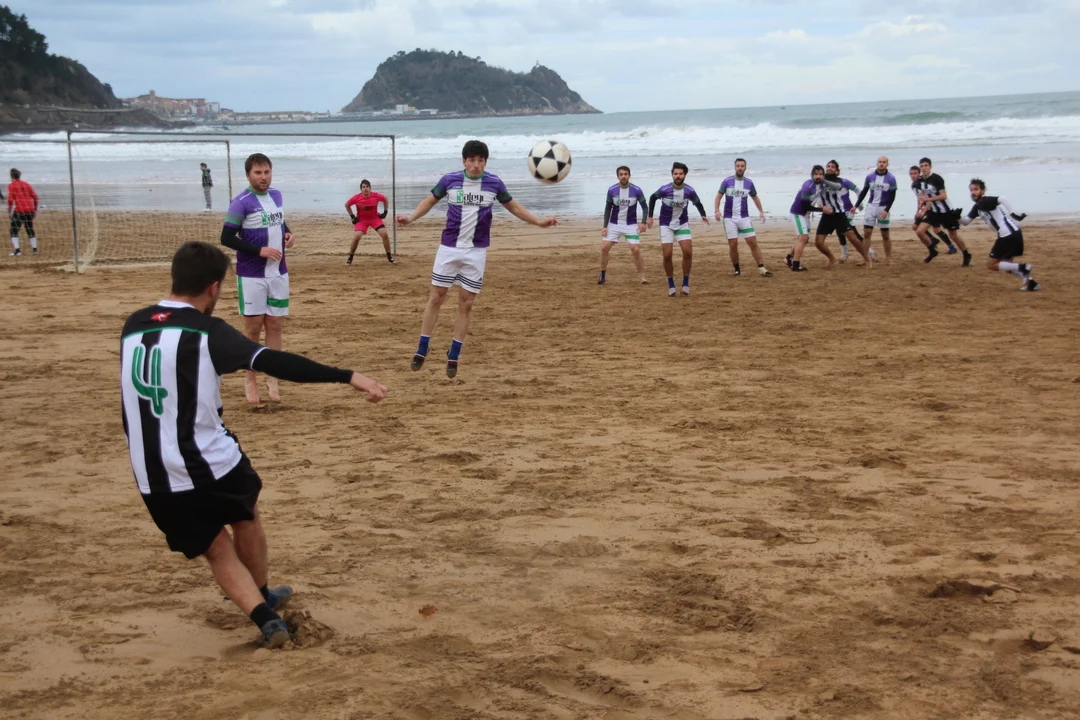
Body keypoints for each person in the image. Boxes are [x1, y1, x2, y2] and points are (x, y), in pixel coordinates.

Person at [121, 241, 387, 648]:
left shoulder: (133, 324)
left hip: (152, 473)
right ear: (214, 288)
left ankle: (266, 619)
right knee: (245, 516)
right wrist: (347, 375)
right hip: (208, 460)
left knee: (216, 549)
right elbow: (275, 362)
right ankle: (261, 594)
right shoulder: (207, 331)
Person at [397, 140, 557, 378]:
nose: (475, 165)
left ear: (485, 162)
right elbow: (430, 201)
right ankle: (423, 346)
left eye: (480, 160)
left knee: (466, 303)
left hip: (476, 252)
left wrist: (538, 222)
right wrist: (410, 218)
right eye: (471, 160)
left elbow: (514, 207)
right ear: (464, 161)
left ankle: (454, 352)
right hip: (449, 248)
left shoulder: (494, 183)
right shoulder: (449, 180)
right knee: (436, 297)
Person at [220, 153, 294, 405]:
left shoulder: (277, 195)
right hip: (251, 275)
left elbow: (279, 222)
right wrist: (258, 250)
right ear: (248, 175)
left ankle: (272, 376)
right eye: (258, 173)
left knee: (274, 324)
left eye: (267, 172)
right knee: (253, 328)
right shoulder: (241, 202)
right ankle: (250, 378)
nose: (263, 177)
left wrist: (288, 235)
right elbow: (226, 238)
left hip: (278, 272)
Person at [960, 179, 1039, 291]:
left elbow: (1002, 198)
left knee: (991, 265)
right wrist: (956, 217)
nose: (973, 192)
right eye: (971, 190)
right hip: (1014, 233)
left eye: (976, 189)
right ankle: (1030, 282)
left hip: (1006, 235)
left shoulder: (984, 201)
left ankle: (1023, 267)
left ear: (983, 190)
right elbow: (966, 221)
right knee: (1006, 265)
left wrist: (1013, 214)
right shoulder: (978, 206)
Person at [647, 162, 710, 296]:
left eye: (681, 174)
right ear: (672, 175)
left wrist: (703, 215)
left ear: (685, 175)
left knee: (687, 252)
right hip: (666, 224)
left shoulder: (689, 191)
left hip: (682, 223)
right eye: (675, 174)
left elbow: (697, 202)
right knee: (667, 255)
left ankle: (685, 283)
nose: (678, 176)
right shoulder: (665, 189)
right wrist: (650, 217)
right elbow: (652, 198)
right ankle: (671, 284)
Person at [714, 158, 771, 277]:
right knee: (733, 244)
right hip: (729, 218)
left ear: (745, 168)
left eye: (742, 166)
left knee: (752, 242)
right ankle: (736, 269)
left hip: (744, 218)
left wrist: (761, 211)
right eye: (738, 166)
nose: (740, 168)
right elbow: (718, 196)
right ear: (735, 167)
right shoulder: (727, 181)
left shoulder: (749, 183)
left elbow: (755, 197)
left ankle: (762, 268)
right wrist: (717, 211)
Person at [916, 157, 972, 266]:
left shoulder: (937, 179)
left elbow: (943, 196)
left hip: (946, 211)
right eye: (921, 166)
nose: (924, 168)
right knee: (919, 231)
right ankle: (932, 251)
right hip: (934, 212)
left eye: (926, 165)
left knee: (953, 235)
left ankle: (966, 254)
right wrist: (922, 208)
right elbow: (923, 196)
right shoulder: (920, 181)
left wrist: (928, 199)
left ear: (930, 167)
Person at [599, 166, 648, 285]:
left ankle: (642, 277)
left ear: (629, 176)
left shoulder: (636, 190)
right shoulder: (612, 190)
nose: (623, 176)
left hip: (631, 225)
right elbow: (607, 209)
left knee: (636, 250)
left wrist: (643, 222)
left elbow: (645, 207)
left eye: (626, 174)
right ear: (618, 177)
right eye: (621, 174)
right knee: (604, 248)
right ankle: (602, 276)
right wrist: (605, 226)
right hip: (614, 224)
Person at [819, 161, 873, 267]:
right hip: (835, 212)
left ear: (837, 171)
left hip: (848, 211)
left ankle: (870, 252)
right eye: (828, 166)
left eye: (833, 167)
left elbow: (857, 190)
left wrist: (859, 204)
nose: (830, 168)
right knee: (840, 232)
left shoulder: (844, 182)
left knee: (852, 233)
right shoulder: (824, 184)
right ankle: (845, 254)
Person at [785, 165, 832, 272]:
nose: (818, 176)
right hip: (798, 213)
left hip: (806, 215)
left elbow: (821, 195)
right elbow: (805, 205)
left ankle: (788, 258)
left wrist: (820, 204)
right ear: (811, 175)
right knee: (803, 238)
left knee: (804, 239)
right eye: (816, 174)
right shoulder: (807, 186)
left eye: (820, 174)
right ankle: (795, 264)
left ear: (823, 175)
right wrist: (822, 210)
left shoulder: (821, 185)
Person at [854, 156, 897, 265]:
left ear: (887, 164)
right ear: (877, 163)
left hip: (883, 208)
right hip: (871, 207)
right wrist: (856, 205)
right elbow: (864, 192)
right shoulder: (870, 177)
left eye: (884, 162)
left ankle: (889, 258)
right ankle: (865, 258)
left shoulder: (891, 178)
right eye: (880, 162)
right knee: (867, 233)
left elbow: (892, 196)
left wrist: (887, 210)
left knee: (885, 235)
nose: (881, 164)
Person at [345, 180, 395, 266]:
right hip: (362, 220)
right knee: (357, 236)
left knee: (384, 234)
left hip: (374, 218)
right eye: (363, 187)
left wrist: (385, 212)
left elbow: (385, 199)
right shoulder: (356, 197)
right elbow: (347, 205)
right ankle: (350, 257)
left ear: (370, 188)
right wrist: (352, 216)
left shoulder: (376, 195)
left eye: (367, 187)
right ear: (361, 189)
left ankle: (389, 257)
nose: (365, 189)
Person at [7, 168, 39, 257]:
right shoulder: (27, 184)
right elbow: (35, 197)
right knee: (29, 228)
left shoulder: (11, 185)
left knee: (14, 229)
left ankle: (17, 251)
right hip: (30, 210)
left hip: (20, 210)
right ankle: (35, 250)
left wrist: (9, 210)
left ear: (11, 176)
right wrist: (35, 210)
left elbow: (10, 199)